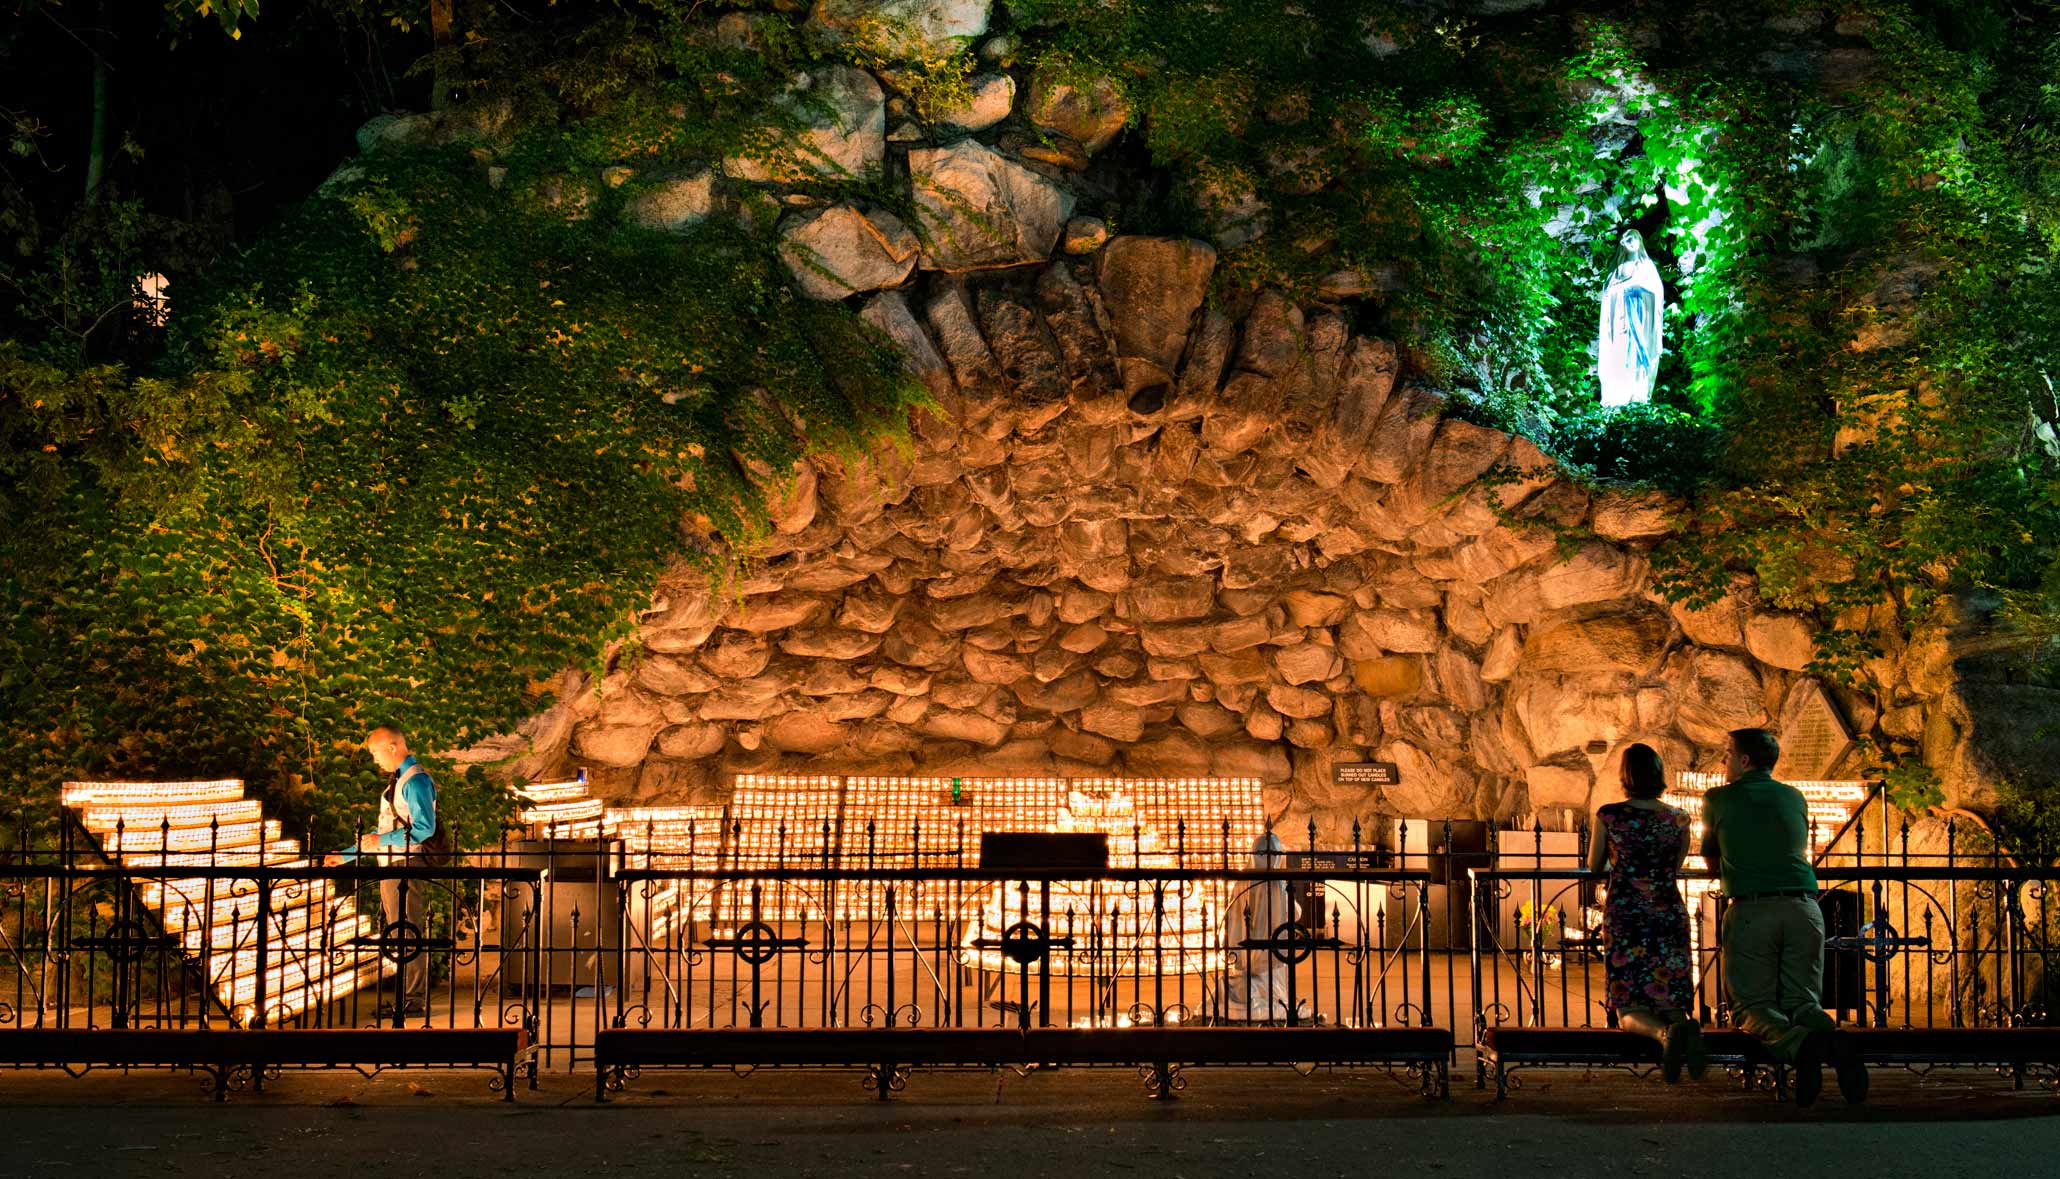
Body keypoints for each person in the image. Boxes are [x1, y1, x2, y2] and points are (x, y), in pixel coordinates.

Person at [1701, 727, 1867, 1106]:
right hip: (1806, 908)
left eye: (1727, 754)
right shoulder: (1794, 797)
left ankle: (1800, 1046)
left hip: (1753, 909)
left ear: (1744, 761)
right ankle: (1835, 1041)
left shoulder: (1717, 799)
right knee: (1803, 1002)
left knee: (1751, 1006)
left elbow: (1711, 858)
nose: (1723, 761)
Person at [1587, 743, 1705, 1082]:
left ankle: (1664, 1036)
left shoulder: (1610, 815)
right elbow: (1676, 864)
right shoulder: (1678, 818)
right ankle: (1682, 1026)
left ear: (1625, 776)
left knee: (1628, 1004)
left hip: (1627, 914)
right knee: (1668, 996)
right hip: (1667, 911)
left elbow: (1595, 865)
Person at [329, 725, 440, 1015]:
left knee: (406, 931)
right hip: (394, 862)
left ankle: (413, 999)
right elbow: (386, 830)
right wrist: (347, 856)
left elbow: (424, 829)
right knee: (400, 931)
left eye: (376, 753)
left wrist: (382, 841)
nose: (375, 760)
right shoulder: (402, 780)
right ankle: (409, 997)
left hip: (404, 863)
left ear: (392, 747)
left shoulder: (414, 781)